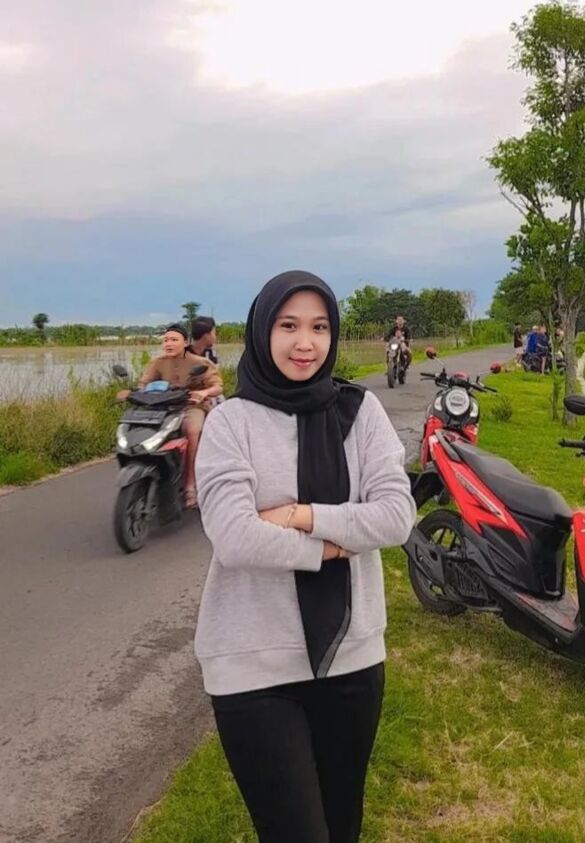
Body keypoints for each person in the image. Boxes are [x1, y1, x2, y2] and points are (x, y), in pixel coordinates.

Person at [194, 270, 416, 843]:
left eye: (319, 328)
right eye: (288, 326)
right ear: (262, 331)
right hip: (253, 666)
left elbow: (396, 516)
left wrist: (300, 515)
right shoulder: (230, 423)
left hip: (352, 658)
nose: (305, 343)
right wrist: (339, 545)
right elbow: (236, 538)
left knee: (342, 827)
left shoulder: (360, 412)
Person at [119, 323, 223, 508]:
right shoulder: (158, 363)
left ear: (186, 343)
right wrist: (131, 392)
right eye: (166, 340)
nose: (168, 343)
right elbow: (144, 384)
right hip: (162, 407)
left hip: (191, 406)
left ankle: (190, 485)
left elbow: (217, 386)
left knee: (191, 429)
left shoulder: (200, 363)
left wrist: (203, 393)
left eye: (174, 340)